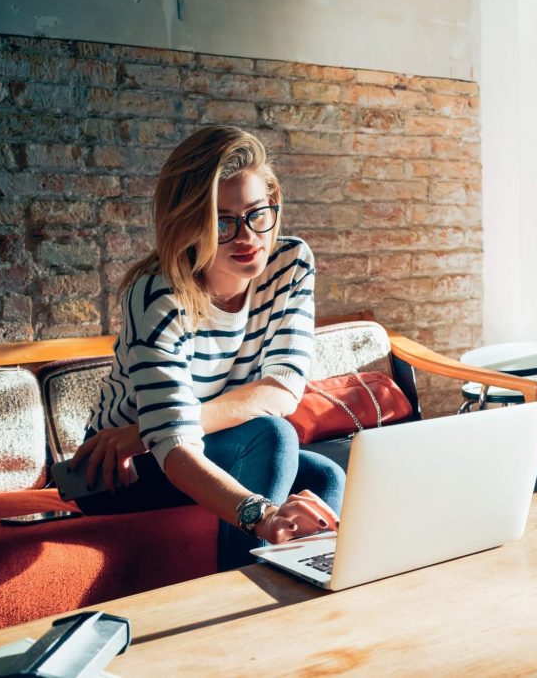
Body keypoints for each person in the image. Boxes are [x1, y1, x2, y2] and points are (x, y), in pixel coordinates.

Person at [70, 125, 343, 570]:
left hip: (164, 439)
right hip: (117, 469)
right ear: (189, 223)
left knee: (325, 475)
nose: (246, 236)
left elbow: (283, 389)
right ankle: (239, 609)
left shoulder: (290, 265)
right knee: (273, 436)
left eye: (257, 214)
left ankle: (307, 603)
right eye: (222, 221)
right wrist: (265, 516)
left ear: (273, 204)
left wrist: (148, 428)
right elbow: (175, 448)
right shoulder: (158, 294)